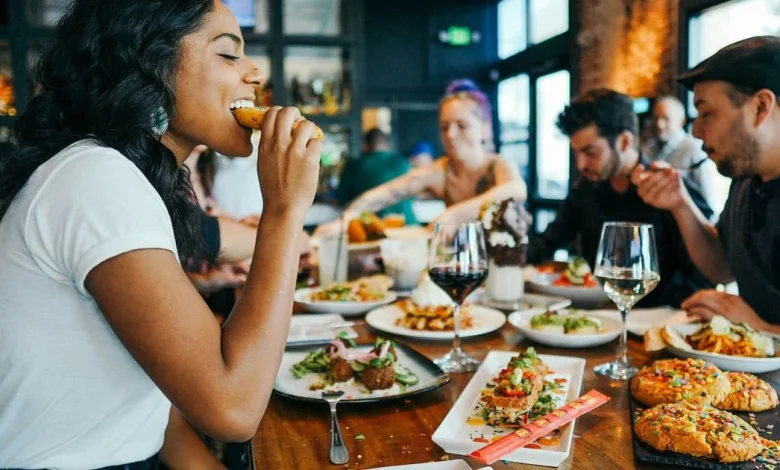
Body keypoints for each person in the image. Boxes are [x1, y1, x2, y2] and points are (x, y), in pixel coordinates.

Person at [0, 2, 320, 469]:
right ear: (150, 66)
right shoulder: (96, 178)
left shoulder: (126, 177)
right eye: (229, 55)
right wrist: (285, 211)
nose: (254, 73)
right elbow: (233, 409)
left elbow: (150, 409)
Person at [633, 36, 780, 333]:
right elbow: (723, 267)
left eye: (706, 113)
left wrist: (758, 328)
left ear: (761, 106)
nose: (697, 132)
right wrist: (679, 202)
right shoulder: (745, 182)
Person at [526, 88, 714, 308]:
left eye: (591, 152)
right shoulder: (586, 190)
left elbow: (706, 273)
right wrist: (505, 248)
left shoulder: (668, 189)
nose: (581, 165)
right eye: (576, 153)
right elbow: (547, 242)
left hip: (658, 324)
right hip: (599, 318)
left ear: (624, 142)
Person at [315, 79, 526, 235]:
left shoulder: (497, 165)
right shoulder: (441, 171)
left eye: (462, 126)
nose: (451, 134)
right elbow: (385, 194)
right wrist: (344, 221)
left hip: (507, 269)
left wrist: (454, 214)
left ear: (485, 130)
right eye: (445, 127)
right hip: (465, 267)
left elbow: (516, 190)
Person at [642, 95, 724, 214]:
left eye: (666, 119)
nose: (659, 124)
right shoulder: (648, 149)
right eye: (656, 118)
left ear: (682, 121)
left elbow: (707, 198)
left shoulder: (694, 149)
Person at [335, 128, 417, 223]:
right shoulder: (404, 162)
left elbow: (340, 199)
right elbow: (414, 195)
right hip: (408, 224)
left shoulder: (354, 166)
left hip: (371, 227)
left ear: (365, 145)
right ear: (387, 144)